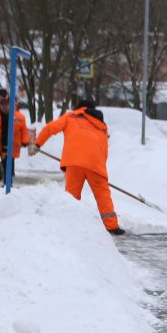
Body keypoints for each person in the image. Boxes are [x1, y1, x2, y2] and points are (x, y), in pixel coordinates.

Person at [30, 98, 123, 236]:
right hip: (96, 164)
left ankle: (69, 222)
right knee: (103, 196)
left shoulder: (70, 116)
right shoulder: (101, 125)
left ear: (79, 107)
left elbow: (50, 128)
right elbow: (104, 149)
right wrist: (99, 167)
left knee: (71, 196)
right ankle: (112, 226)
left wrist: (37, 144)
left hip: (74, 163)